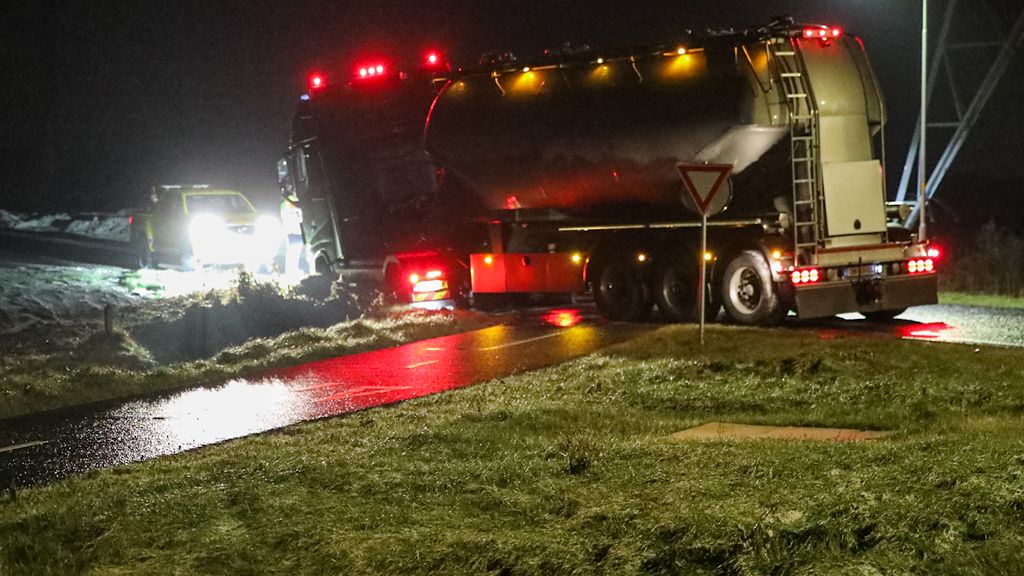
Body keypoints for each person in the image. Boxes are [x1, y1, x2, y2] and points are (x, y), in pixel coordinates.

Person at [280, 193, 306, 276]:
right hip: (293, 232)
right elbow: (301, 220)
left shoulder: (285, 206)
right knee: (294, 251)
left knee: (293, 251)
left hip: (292, 232)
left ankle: (292, 269)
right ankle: (291, 270)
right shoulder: (288, 207)